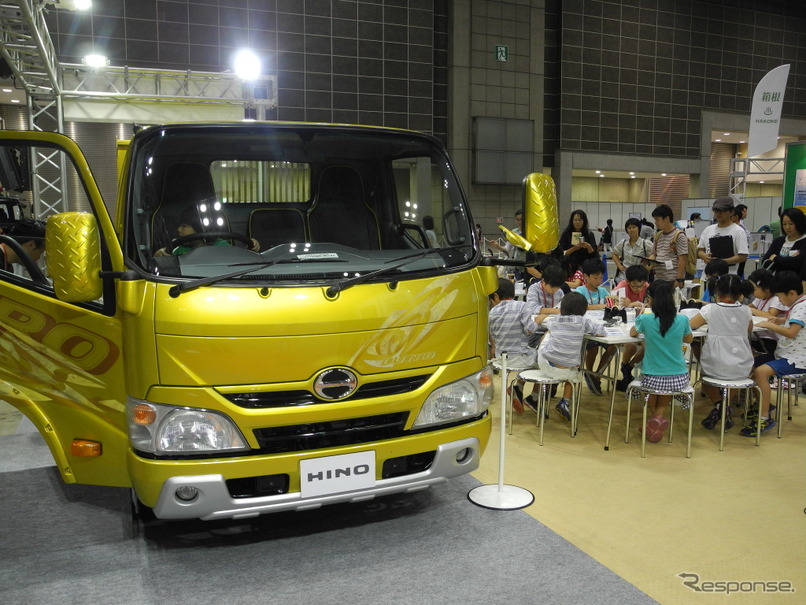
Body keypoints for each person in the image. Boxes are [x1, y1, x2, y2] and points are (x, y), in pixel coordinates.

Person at [629, 280, 693, 443]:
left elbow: (632, 333)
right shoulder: (682, 319)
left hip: (651, 376)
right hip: (679, 377)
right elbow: (689, 339)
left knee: (651, 388)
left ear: (650, 299)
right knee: (667, 389)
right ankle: (658, 417)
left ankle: (653, 420)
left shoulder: (645, 319)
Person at [688, 275, 754, 430]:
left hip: (716, 360)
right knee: (736, 379)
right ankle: (725, 408)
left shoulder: (710, 309)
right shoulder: (746, 310)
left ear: (716, 293)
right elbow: (749, 329)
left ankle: (720, 407)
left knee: (705, 377)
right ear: (740, 294)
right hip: (742, 362)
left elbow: (691, 325)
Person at [746, 271, 806, 437]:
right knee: (752, 363)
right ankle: (763, 403)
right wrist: (780, 321)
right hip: (785, 354)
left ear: (791, 293)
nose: (779, 301)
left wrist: (771, 325)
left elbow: (792, 333)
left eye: (780, 297)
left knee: (760, 372)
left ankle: (765, 417)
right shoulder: (798, 304)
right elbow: (795, 324)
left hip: (796, 359)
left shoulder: (802, 307)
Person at [534, 291, 605, 421]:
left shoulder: (555, 320)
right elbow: (601, 331)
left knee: (549, 335)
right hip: (567, 372)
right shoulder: (583, 322)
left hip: (545, 364)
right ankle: (565, 402)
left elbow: (549, 326)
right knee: (573, 370)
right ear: (583, 310)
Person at [488, 277, 538, 413]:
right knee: (544, 359)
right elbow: (531, 329)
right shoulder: (522, 306)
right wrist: (539, 319)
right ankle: (533, 397)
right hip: (519, 357)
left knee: (532, 354)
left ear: (496, 296)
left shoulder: (492, 312)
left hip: (501, 359)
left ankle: (518, 388)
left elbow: (493, 334)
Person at [576, 258, 616, 395]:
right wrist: (599, 306)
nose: (598, 281)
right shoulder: (580, 291)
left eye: (600, 277)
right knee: (592, 349)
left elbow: (610, 304)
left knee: (613, 347)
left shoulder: (603, 292)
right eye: (595, 277)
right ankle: (589, 371)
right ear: (586, 277)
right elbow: (580, 308)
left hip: (603, 328)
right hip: (587, 329)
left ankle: (596, 374)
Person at [613, 264, 650, 390]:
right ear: (628, 282)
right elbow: (615, 305)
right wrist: (634, 304)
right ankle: (625, 366)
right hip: (623, 324)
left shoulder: (646, 287)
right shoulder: (622, 286)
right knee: (631, 345)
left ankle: (628, 366)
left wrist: (634, 303)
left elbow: (649, 303)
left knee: (649, 346)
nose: (638, 289)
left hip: (640, 323)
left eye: (641, 286)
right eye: (634, 286)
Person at [696, 197, 748, 275]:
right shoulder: (708, 229)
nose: (718, 213)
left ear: (731, 212)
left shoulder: (738, 231)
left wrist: (721, 262)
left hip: (728, 277)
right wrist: (704, 256)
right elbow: (700, 250)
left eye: (722, 211)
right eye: (716, 211)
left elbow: (743, 256)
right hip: (708, 277)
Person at [746, 268, 787, 356]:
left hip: (771, 339)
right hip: (758, 336)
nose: (753, 292)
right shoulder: (760, 299)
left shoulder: (777, 299)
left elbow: (770, 315)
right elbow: (747, 307)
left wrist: (751, 310)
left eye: (755, 289)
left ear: (767, 288)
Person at [526, 261, 567, 348]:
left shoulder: (559, 292)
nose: (555, 290)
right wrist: (556, 311)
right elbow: (532, 308)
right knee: (549, 340)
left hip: (555, 328)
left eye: (558, 287)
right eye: (552, 287)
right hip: (536, 331)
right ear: (543, 281)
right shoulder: (534, 289)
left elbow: (564, 308)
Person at [760, 207, 806, 276]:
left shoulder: (804, 242)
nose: (787, 227)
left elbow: (798, 263)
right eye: (784, 224)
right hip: (776, 283)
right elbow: (765, 262)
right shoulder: (778, 241)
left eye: (791, 224)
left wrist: (775, 258)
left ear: (799, 223)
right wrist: (787, 262)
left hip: (796, 284)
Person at [650, 204, 687, 286]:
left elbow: (682, 259)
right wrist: (648, 261)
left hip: (672, 279)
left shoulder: (679, 235)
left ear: (667, 218)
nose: (656, 223)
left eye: (657, 220)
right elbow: (654, 254)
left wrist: (679, 279)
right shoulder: (658, 235)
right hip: (659, 278)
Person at [611, 217, 653, 282]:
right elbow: (614, 253)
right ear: (626, 230)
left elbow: (654, 255)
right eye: (629, 228)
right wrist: (619, 265)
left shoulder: (646, 243)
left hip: (640, 278)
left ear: (639, 228)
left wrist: (647, 268)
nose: (631, 230)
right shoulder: (623, 243)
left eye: (634, 227)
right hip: (624, 276)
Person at [490, 210, 527, 281]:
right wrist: (497, 246)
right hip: (518, 265)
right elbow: (507, 248)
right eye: (518, 220)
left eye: (521, 219)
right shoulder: (514, 232)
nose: (520, 222)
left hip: (530, 264)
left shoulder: (531, 231)